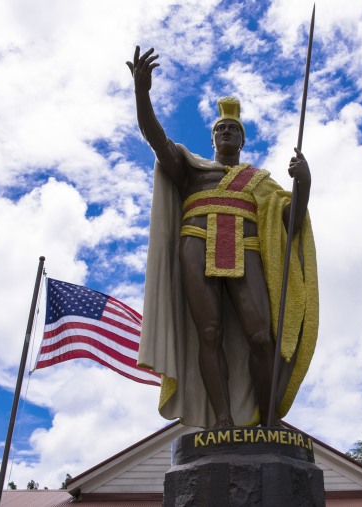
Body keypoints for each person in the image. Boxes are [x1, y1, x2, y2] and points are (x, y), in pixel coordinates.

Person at [129, 46, 318, 428]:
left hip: (245, 250)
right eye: (220, 129)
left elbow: (291, 223)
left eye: (232, 128)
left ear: (242, 140)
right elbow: (154, 137)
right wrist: (141, 93)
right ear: (212, 139)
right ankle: (222, 419)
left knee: (261, 337)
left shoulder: (261, 183)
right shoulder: (191, 168)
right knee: (209, 332)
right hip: (196, 244)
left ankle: (267, 418)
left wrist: (305, 182)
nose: (226, 131)